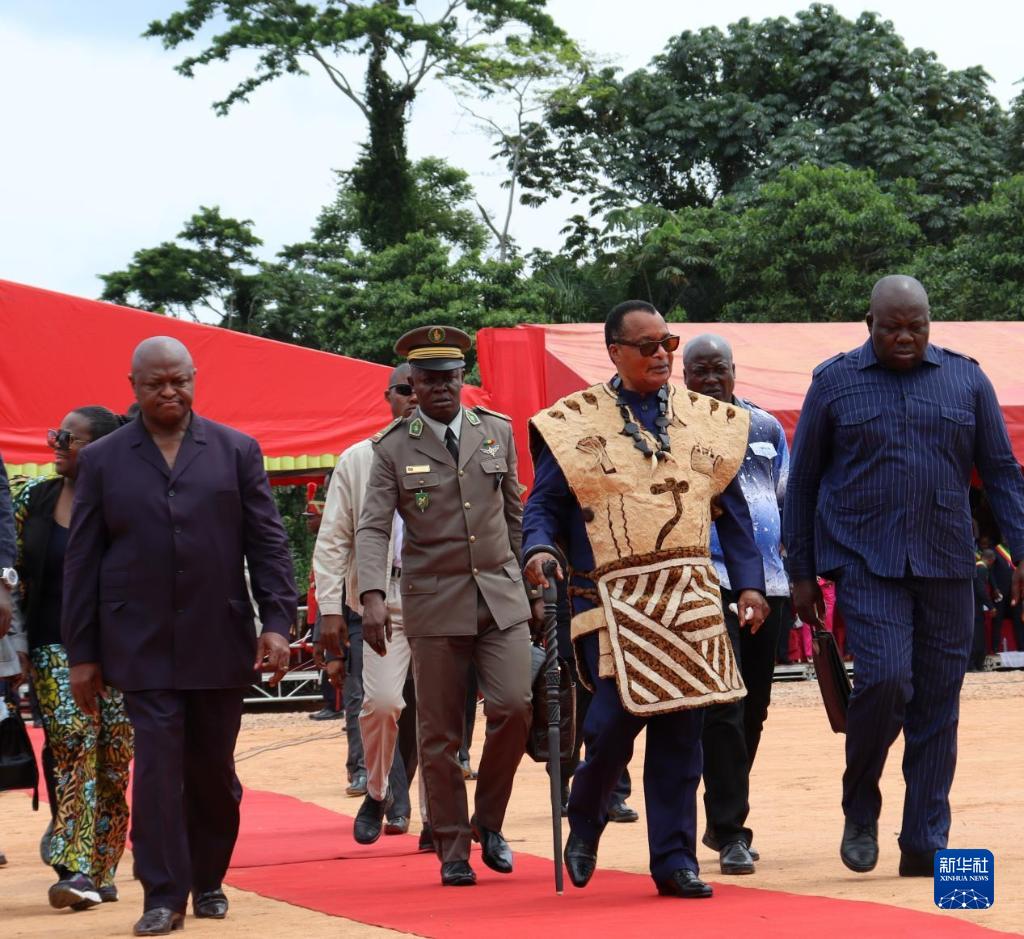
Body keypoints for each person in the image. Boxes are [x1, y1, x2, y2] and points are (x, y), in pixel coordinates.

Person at [523, 301, 768, 900]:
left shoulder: (706, 421)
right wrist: (538, 548)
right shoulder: (573, 424)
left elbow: (733, 513)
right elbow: (544, 505)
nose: (662, 355)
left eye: (668, 343)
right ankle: (586, 820)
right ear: (615, 353)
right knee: (610, 725)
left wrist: (751, 584)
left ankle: (674, 861)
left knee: (683, 733)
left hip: (688, 596)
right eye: (648, 346)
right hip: (608, 598)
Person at [783, 275, 1024, 878]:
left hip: (946, 561)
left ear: (929, 323)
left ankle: (924, 839)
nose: (905, 337)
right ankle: (860, 805)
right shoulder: (833, 382)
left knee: (939, 702)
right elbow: (804, 481)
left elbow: (1001, 473)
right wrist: (802, 571)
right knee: (886, 679)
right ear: (870, 324)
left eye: (916, 327)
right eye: (892, 328)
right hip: (865, 559)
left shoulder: (967, 380)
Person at [61, 336, 297, 936]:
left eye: (179, 381)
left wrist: (276, 623)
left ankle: (208, 877)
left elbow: (268, 542)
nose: (169, 392)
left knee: (213, 771)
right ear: (133, 386)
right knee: (159, 770)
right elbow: (82, 560)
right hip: (137, 642)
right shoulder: (103, 460)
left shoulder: (236, 450)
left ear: (194, 378)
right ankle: (162, 895)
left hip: (219, 636)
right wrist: (82, 653)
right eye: (155, 384)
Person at [356, 326, 533, 887]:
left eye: (450, 378)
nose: (440, 388)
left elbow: (514, 513)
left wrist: (531, 580)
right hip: (434, 604)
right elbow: (373, 527)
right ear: (412, 382)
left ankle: (489, 822)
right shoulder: (392, 447)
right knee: (439, 734)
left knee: (515, 706)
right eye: (428, 379)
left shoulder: (496, 432)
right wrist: (371, 596)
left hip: (500, 596)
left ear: (463, 379)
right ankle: (453, 847)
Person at [13, 409, 133, 911]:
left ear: (100, 449)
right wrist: (15, 641)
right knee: (72, 745)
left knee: (114, 759)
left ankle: (102, 869)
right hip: (53, 645)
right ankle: (74, 864)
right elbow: (12, 566)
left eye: (68, 437)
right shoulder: (33, 499)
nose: (56, 443)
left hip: (122, 650)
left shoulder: (126, 502)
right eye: (54, 434)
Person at [682, 334, 789, 875]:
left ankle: (723, 806)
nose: (709, 380)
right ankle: (730, 831)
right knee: (724, 703)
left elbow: (787, 497)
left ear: (733, 370)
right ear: (684, 377)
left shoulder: (767, 427)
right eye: (698, 371)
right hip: (705, 581)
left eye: (717, 369)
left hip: (769, 583)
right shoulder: (672, 427)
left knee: (754, 708)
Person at [315, 363, 424, 844]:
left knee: (439, 715)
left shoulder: (457, 453)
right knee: (381, 704)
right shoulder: (358, 459)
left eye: (424, 387)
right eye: (405, 389)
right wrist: (330, 608)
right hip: (379, 600)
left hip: (442, 598)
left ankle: (440, 821)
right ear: (388, 397)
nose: (415, 396)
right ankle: (377, 791)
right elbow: (333, 538)